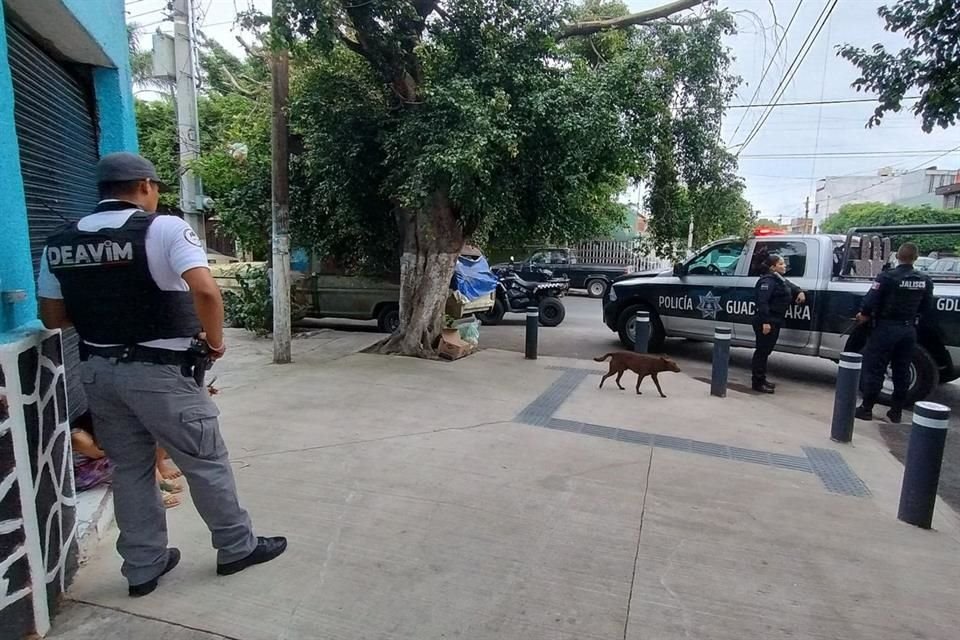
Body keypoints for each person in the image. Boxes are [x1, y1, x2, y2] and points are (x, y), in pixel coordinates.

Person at [38, 152, 286, 597]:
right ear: (146, 186)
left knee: (130, 468)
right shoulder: (165, 228)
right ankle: (236, 547)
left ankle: (142, 567)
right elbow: (206, 290)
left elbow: (54, 318)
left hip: (98, 372)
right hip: (161, 374)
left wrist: (107, 312)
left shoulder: (59, 241)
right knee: (204, 462)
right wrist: (214, 342)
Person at [855, 242, 934, 424]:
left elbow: (870, 302)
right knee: (902, 370)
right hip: (907, 329)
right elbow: (926, 307)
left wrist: (864, 315)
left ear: (897, 256)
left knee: (875, 368)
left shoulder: (887, 277)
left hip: (885, 328)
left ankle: (866, 408)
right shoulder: (924, 279)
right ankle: (896, 411)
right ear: (915, 258)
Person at [752, 254, 806, 393]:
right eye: (781, 264)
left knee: (766, 351)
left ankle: (761, 379)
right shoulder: (768, 281)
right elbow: (762, 302)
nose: (784, 266)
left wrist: (799, 291)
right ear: (773, 267)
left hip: (775, 320)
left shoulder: (778, 279)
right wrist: (765, 322)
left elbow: (789, 285)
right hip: (767, 320)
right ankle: (757, 382)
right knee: (762, 352)